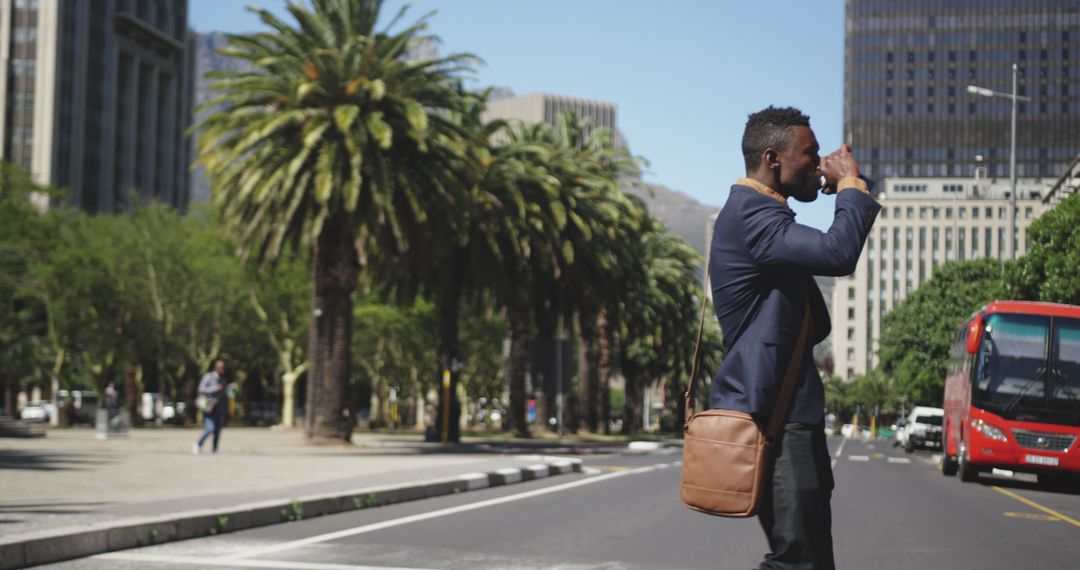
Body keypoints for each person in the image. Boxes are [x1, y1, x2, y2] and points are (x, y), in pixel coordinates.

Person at [708, 106, 880, 569]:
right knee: (797, 559)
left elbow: (814, 321)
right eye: (809, 154)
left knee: (809, 557)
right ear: (773, 159)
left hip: (788, 414)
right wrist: (846, 187)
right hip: (777, 419)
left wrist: (843, 188)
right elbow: (836, 251)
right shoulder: (754, 217)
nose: (818, 161)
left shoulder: (765, 216)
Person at [193, 359, 229, 455]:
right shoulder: (208, 377)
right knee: (210, 428)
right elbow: (200, 389)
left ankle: (214, 450)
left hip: (220, 408)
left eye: (224, 367)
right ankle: (198, 444)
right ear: (216, 367)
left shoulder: (224, 379)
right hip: (210, 408)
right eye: (222, 367)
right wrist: (214, 388)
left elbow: (225, 394)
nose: (223, 368)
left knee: (217, 431)